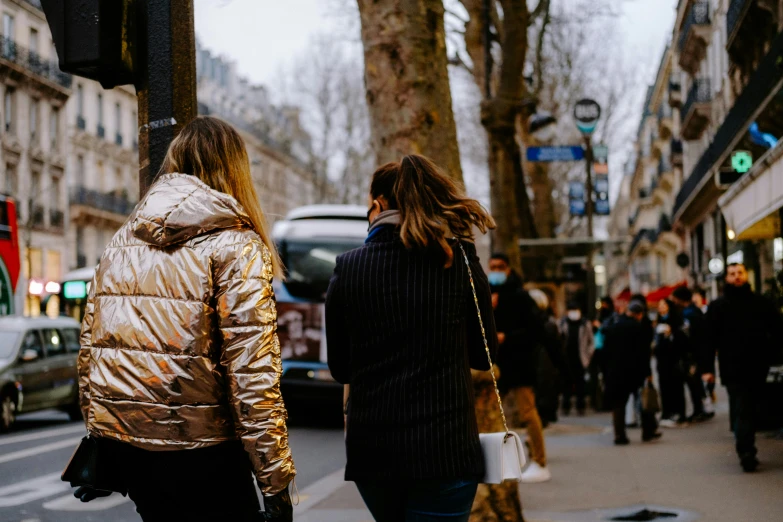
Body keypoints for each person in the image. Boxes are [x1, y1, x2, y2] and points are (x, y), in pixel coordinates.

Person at [75, 117, 296, 521]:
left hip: (132, 451)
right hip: (205, 452)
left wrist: (99, 434)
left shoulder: (122, 241)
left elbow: (92, 349)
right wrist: (276, 482)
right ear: (234, 169)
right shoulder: (237, 246)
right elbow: (253, 376)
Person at [326, 155, 498, 521]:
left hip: (374, 455)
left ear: (378, 205)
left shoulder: (348, 267)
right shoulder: (461, 261)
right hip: (446, 452)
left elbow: (341, 367)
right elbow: (485, 355)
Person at [703, 263, 783, 472]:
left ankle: (746, 446)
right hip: (732, 367)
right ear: (726, 278)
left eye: (739, 273)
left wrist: (773, 355)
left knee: (750, 408)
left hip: (757, 366)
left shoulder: (761, 303)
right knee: (742, 407)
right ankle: (746, 451)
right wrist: (707, 368)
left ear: (746, 275)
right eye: (732, 274)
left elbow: (777, 331)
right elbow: (708, 340)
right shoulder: (717, 306)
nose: (736, 277)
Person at [486, 256, 550, 483]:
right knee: (491, 412)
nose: (495, 272)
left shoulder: (521, 296)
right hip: (495, 364)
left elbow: (535, 331)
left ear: (508, 269)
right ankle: (496, 462)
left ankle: (540, 460)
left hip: (520, 362)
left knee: (527, 412)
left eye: (499, 268)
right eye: (492, 267)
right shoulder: (486, 294)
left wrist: (507, 337)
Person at [604, 300, 661, 445]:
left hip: (616, 371)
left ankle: (619, 435)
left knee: (619, 404)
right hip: (635, 371)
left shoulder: (614, 326)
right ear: (639, 314)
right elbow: (643, 352)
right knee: (643, 400)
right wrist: (647, 372)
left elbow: (606, 350)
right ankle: (648, 431)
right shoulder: (638, 328)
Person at [671, 286, 711, 422]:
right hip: (698, 352)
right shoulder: (695, 311)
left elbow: (687, 336)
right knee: (696, 384)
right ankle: (701, 409)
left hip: (691, 355)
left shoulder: (687, 315)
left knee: (694, 384)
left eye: (675, 299)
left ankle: (699, 410)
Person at [654, 299, 688, 428]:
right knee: (664, 387)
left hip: (674, 360)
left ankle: (680, 414)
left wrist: (670, 334)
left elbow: (683, 340)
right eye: (660, 305)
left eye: (664, 305)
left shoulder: (676, 321)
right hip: (662, 361)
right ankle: (667, 413)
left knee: (677, 388)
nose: (661, 307)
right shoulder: (658, 321)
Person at [559, 301, 595, 416]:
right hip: (567, 358)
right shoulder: (563, 323)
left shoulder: (585, 323)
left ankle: (581, 406)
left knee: (580, 384)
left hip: (581, 358)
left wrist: (588, 356)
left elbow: (591, 342)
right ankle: (566, 406)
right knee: (566, 384)